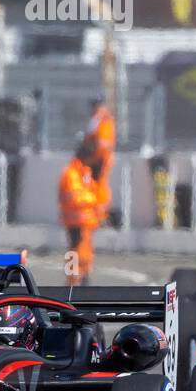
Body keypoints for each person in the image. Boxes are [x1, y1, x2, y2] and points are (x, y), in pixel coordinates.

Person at [59, 139, 101, 285]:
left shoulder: (85, 172)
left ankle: (84, 277)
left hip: (85, 222)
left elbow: (94, 192)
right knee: (73, 252)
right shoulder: (72, 173)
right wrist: (93, 199)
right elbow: (75, 196)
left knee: (84, 252)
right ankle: (71, 281)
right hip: (74, 221)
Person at [84, 97, 116, 225]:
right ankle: (95, 213)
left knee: (100, 186)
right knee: (92, 186)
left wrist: (92, 148)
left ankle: (101, 215)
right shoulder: (96, 120)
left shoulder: (105, 120)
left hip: (101, 158)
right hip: (94, 158)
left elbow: (103, 142)